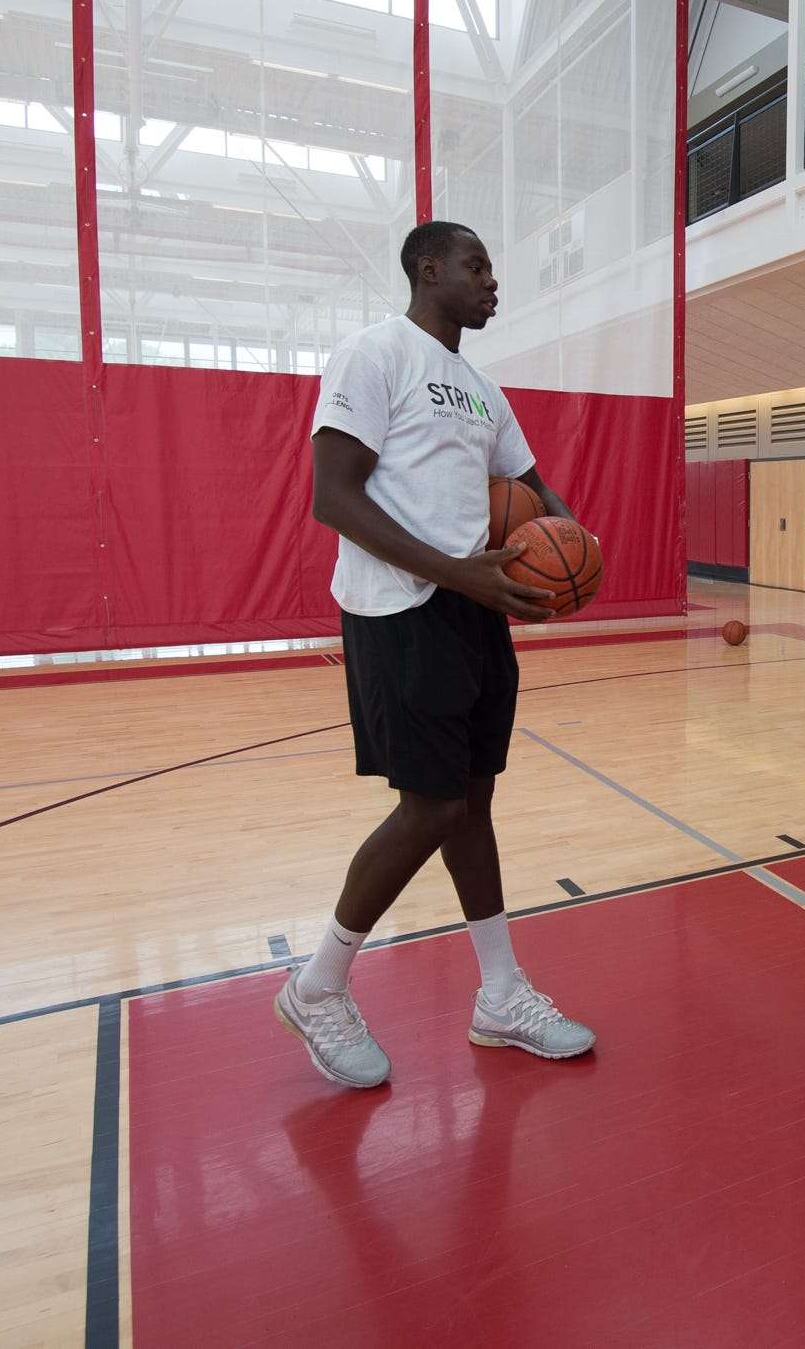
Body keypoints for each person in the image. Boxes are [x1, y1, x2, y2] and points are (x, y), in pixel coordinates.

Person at [276, 220, 597, 1089]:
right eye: (477, 266)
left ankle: (499, 994)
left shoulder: (480, 389)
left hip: (474, 609)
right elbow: (333, 498)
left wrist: (576, 552)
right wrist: (457, 573)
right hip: (403, 607)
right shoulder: (374, 354)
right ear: (429, 269)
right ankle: (318, 985)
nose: (493, 282)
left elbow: (531, 490)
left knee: (473, 802)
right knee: (429, 808)